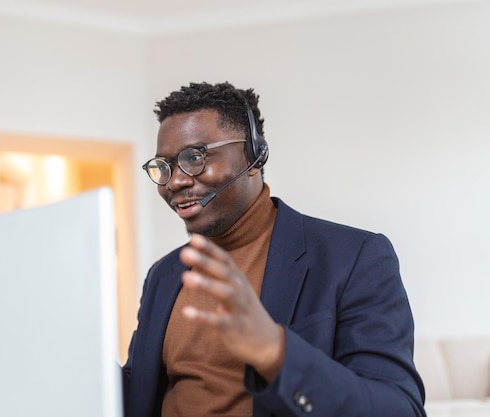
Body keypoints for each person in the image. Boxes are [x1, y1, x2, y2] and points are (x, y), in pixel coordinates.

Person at [122, 81, 426, 417]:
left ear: (254, 155)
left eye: (194, 157)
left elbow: (399, 409)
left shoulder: (354, 257)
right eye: (164, 167)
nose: (175, 181)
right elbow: (139, 388)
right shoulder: (164, 274)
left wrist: (275, 350)